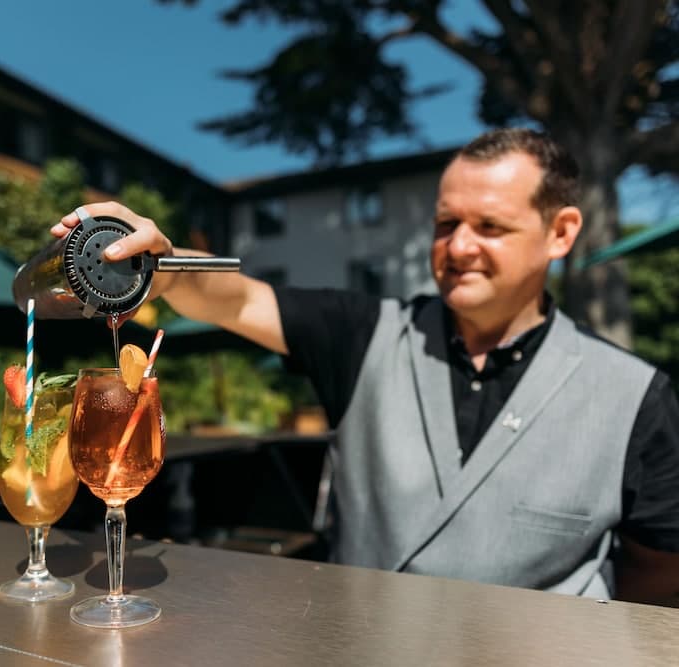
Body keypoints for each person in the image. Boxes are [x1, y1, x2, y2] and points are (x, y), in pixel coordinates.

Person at [51, 128, 679, 605]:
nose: (459, 246)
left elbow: (658, 575)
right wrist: (161, 266)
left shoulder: (637, 396)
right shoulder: (363, 332)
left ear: (561, 232)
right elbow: (237, 299)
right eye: (446, 224)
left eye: (491, 226)